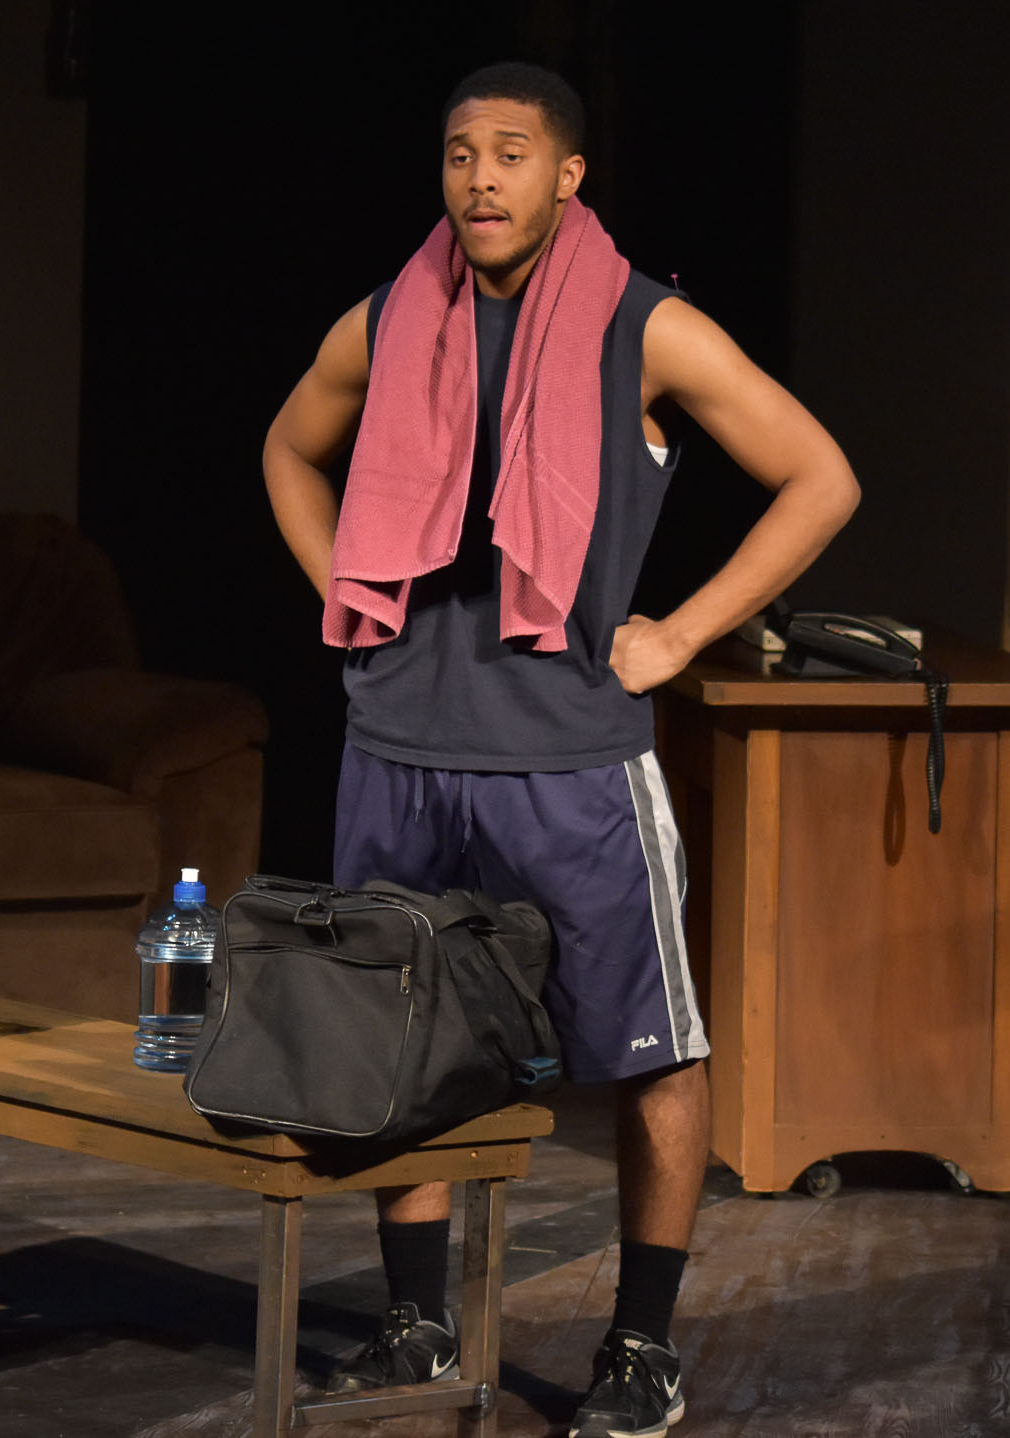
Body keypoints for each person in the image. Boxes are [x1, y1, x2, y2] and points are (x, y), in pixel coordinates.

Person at [261, 61, 858, 1438]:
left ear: (567, 175)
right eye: (460, 153)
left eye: (512, 152)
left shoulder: (643, 326)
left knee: (651, 1051)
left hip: (572, 759)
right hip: (400, 744)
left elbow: (821, 475)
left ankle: (641, 1344)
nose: (481, 178)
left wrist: (683, 634)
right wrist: (346, 598)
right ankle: (417, 1321)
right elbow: (289, 450)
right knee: (397, 1035)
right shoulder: (390, 317)